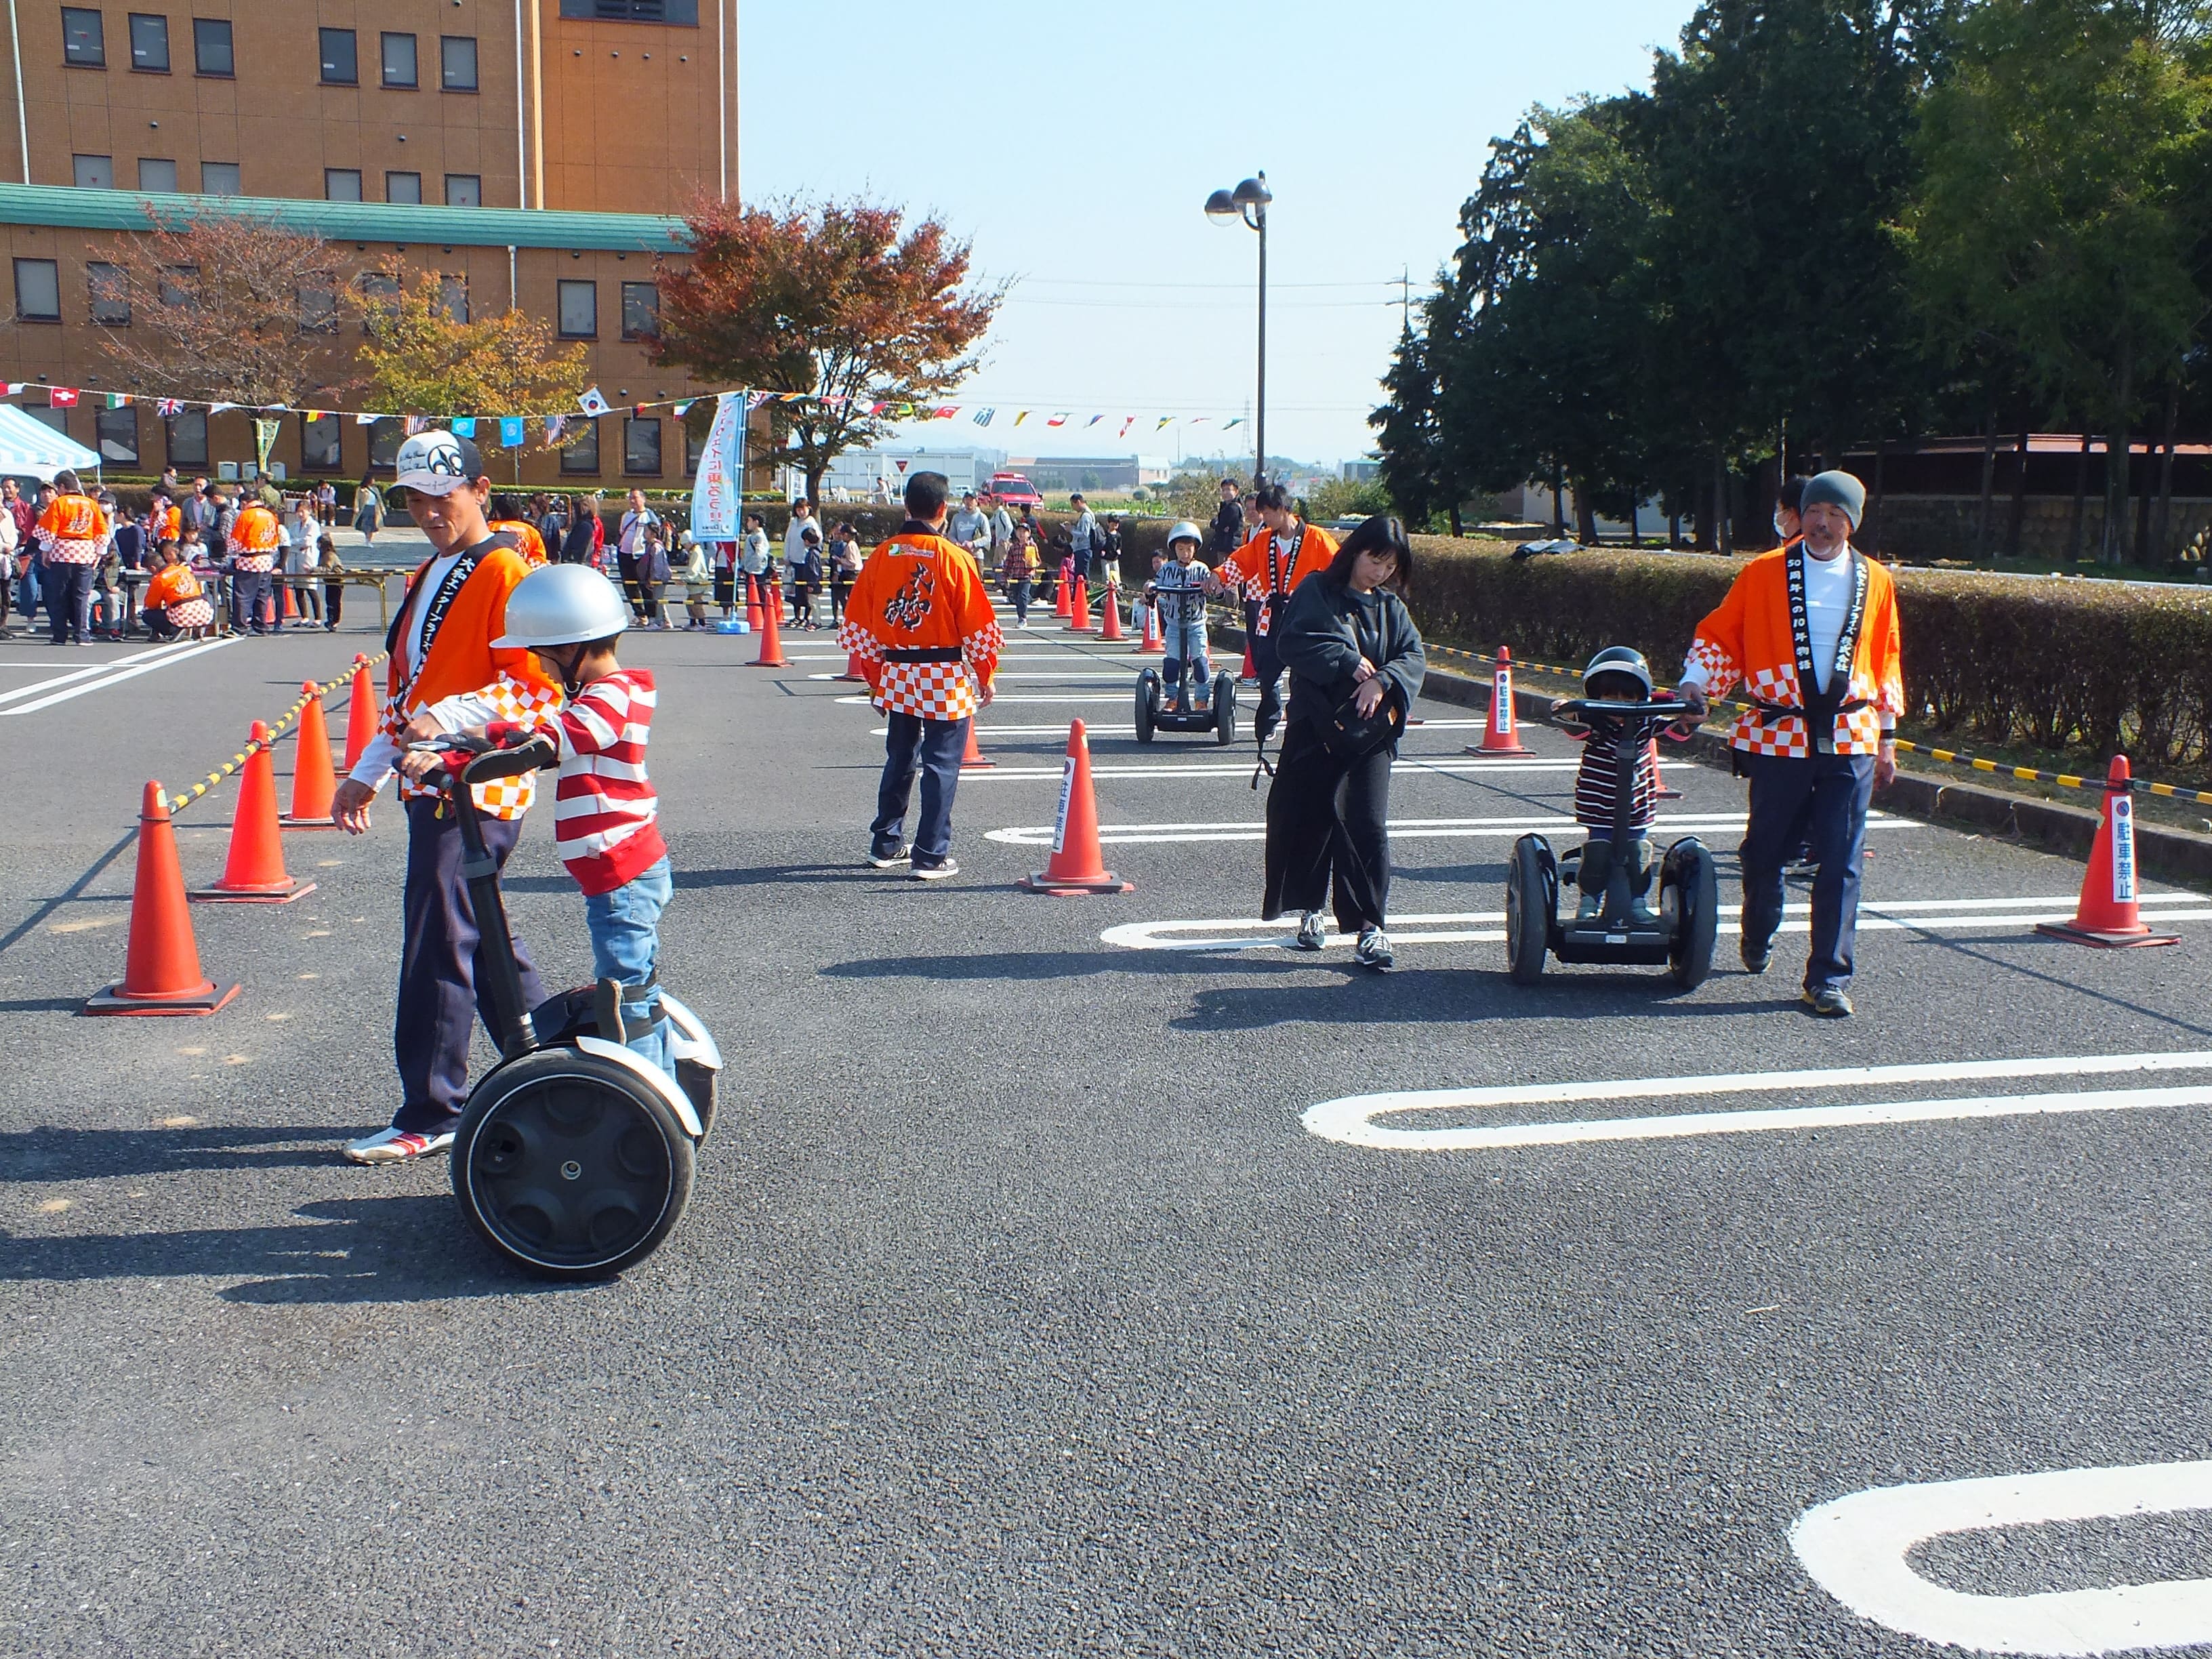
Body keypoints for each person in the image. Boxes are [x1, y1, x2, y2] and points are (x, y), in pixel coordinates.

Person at [330, 430, 562, 1164]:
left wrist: (445, 719)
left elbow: (534, 688)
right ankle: (555, 1058)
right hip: (434, 779)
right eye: (418, 500)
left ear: (479, 489)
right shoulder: (434, 570)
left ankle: (433, 1107)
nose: (432, 511)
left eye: (445, 496)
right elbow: (409, 691)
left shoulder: (505, 571)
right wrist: (369, 766)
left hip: (475, 780)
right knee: (473, 926)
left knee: (441, 932)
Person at [403, 563, 674, 1076]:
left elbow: (542, 746)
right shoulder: (599, 697)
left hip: (622, 868)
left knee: (627, 992)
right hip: (615, 868)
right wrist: (465, 739)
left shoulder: (614, 695)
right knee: (633, 987)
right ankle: (654, 1084)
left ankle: (646, 1096)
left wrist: (455, 763)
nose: (544, 671)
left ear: (575, 647)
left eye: (546, 657)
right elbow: (535, 732)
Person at [1676, 469, 1903, 1018]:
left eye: (1836, 513)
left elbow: (1887, 657)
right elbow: (1721, 634)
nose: (1823, 523)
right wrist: (1695, 684)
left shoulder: (1877, 581)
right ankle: (1757, 931)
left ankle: (1828, 976)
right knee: (1766, 851)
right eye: (1814, 511)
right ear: (1800, 516)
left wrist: (1889, 738)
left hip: (1851, 735)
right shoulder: (1764, 573)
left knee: (1842, 861)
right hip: (1781, 734)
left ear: (1853, 521)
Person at [1261, 516, 1425, 970]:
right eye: (1376, 560)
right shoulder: (1317, 591)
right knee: (1311, 820)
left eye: (1390, 566)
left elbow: (1414, 656)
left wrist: (1384, 681)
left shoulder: (1392, 609)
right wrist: (1346, 661)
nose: (1381, 572)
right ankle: (1311, 911)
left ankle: (1372, 927)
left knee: (1368, 825)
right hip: (1315, 728)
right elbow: (1291, 643)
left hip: (1369, 737)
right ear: (1355, 551)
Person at [838, 470, 1002, 881]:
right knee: (942, 763)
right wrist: (986, 673)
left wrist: (876, 681)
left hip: (896, 670)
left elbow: (860, 627)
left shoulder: (881, 556)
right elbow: (978, 626)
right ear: (943, 510)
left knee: (900, 759)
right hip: (944, 673)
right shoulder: (955, 559)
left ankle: (887, 842)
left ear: (906, 506)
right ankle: (930, 853)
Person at [1551, 648, 1673, 924]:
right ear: (1597, 697)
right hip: (1600, 804)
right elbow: (1573, 726)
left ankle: (1637, 901)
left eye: (1628, 698)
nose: (1620, 706)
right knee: (1598, 852)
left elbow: (1672, 732)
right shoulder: (1594, 723)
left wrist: (1690, 721)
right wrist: (1566, 711)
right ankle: (1589, 899)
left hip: (1636, 804)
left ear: (1641, 698)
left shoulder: (1645, 722)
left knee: (1637, 852)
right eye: (1611, 697)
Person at [1221, 483, 1340, 746]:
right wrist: (1218, 577)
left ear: (1284, 509)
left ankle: (1301, 727)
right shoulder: (1264, 540)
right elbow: (1241, 562)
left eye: (1267, 512)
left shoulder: (1317, 538)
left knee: (1304, 676)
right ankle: (1270, 722)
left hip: (1307, 618)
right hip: (1273, 615)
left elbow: (1339, 570)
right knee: (1269, 673)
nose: (1263, 518)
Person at [1151, 520, 1225, 712]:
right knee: (1172, 664)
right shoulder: (1167, 570)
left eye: (1189, 549)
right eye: (1181, 549)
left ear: (1195, 549)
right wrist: (1149, 590)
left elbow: (1215, 589)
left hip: (1196, 625)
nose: (1185, 553)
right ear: (1174, 549)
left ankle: (1201, 700)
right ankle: (1172, 698)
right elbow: (1154, 586)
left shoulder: (1201, 570)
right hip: (1174, 625)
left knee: (1200, 663)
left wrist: (1216, 589)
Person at [34, 468, 111, 646]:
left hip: (62, 552)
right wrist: (99, 553)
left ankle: (60, 635)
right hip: (85, 552)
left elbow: (49, 531)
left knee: (59, 595)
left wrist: (46, 553)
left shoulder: (60, 503)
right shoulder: (91, 504)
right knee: (81, 596)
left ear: (62, 487)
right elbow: (101, 530)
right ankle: (82, 635)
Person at [225, 489, 282, 635]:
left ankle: (239, 627)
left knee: (242, 595)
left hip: (249, 560)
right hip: (267, 559)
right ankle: (261, 626)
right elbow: (276, 541)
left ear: (244, 503)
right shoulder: (271, 516)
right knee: (262, 595)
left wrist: (230, 550)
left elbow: (235, 542)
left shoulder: (246, 515)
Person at [142, 541, 214, 640]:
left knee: (148, 615)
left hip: (182, 613)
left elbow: (151, 604)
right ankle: (197, 627)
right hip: (203, 611)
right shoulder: (183, 569)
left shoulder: (160, 579)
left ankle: (175, 628)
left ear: (153, 568)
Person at [617, 488, 659, 624]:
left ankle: (652, 615)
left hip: (642, 555)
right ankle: (640, 614)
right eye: (630, 498)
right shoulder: (626, 515)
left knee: (645, 585)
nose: (632, 501)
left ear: (643, 499)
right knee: (629, 585)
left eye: (635, 497)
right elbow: (622, 531)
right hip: (625, 553)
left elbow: (656, 532)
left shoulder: (649, 515)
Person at [490, 493, 550, 568]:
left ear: (497, 512)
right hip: (523, 575)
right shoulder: (531, 531)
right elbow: (539, 559)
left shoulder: (488, 528)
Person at [1000, 523, 1040, 626]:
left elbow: (1038, 561)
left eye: (1024, 532)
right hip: (1016, 575)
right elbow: (1009, 562)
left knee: (1022, 596)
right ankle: (1024, 609)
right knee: (1017, 597)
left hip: (1026, 575)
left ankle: (1023, 618)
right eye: (1019, 532)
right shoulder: (1014, 547)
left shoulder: (1032, 546)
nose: (1021, 534)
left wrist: (1032, 564)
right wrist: (1005, 575)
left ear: (1029, 533)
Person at [789, 524, 823, 628]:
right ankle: (815, 621)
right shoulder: (815, 552)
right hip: (814, 582)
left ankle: (816, 622)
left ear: (808, 541)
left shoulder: (813, 554)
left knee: (814, 602)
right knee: (813, 602)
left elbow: (813, 570)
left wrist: (811, 583)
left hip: (813, 583)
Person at [827, 522, 861, 626]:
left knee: (847, 598)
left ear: (846, 535)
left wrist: (840, 560)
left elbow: (852, 562)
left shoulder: (850, 546)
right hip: (852, 573)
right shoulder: (852, 544)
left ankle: (850, 620)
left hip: (851, 573)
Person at [947, 491, 990, 569]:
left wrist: (973, 544)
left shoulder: (982, 517)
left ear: (976, 501)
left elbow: (988, 538)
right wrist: (955, 542)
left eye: (971, 500)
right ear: (964, 501)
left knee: (978, 580)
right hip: (960, 555)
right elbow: (951, 534)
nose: (969, 502)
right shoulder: (957, 517)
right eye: (967, 499)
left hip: (976, 557)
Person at [679, 532, 714, 630]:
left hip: (698, 581)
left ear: (690, 542)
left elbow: (694, 570)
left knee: (696, 603)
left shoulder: (696, 552)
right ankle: (693, 623)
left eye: (685, 544)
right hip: (695, 581)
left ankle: (702, 624)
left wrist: (684, 579)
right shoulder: (695, 551)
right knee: (690, 602)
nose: (685, 547)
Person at [1208, 478, 1246, 556]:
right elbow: (1220, 524)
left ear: (1236, 491)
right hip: (1226, 546)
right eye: (1223, 490)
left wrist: (1218, 525)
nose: (1225, 493)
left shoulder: (1234, 508)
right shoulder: (1226, 507)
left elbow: (1221, 525)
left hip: (1230, 547)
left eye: (1229, 490)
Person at [1067, 493, 1098, 582]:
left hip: (1083, 549)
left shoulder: (1086, 516)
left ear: (1079, 502)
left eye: (1073, 504)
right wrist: (1073, 528)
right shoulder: (1087, 514)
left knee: (1082, 576)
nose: (1073, 508)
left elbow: (1085, 534)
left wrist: (1071, 531)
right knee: (1081, 574)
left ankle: (1084, 594)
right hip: (1082, 549)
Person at [317, 533, 344, 632]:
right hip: (329, 580)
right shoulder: (323, 554)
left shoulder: (329, 555)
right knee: (329, 601)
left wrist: (314, 569)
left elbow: (327, 569)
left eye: (319, 543)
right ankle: (331, 620)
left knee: (334, 601)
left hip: (336, 579)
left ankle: (334, 621)